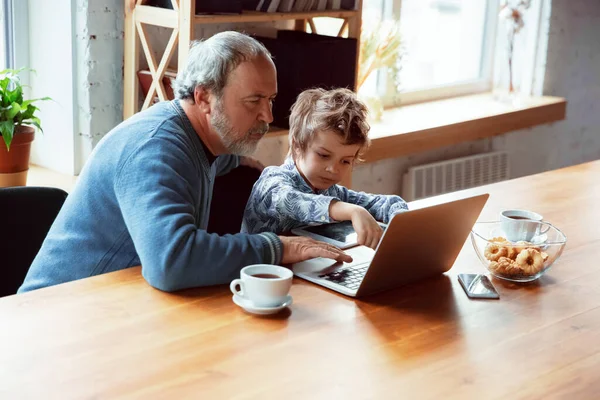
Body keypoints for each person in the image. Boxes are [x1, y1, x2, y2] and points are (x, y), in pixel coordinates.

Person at [18, 32, 351, 293]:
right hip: (56, 318)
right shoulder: (156, 149)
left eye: (271, 99)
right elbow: (171, 262)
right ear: (205, 97)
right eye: (254, 101)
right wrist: (277, 248)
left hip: (117, 307)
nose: (267, 115)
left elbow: (237, 165)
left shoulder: (202, 141)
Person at [242, 88, 409, 250]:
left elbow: (389, 203)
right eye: (323, 155)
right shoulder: (272, 183)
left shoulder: (331, 192)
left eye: (345, 161)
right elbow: (292, 201)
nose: (333, 169)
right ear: (297, 145)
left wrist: (401, 224)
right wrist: (351, 210)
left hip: (308, 271)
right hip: (259, 274)